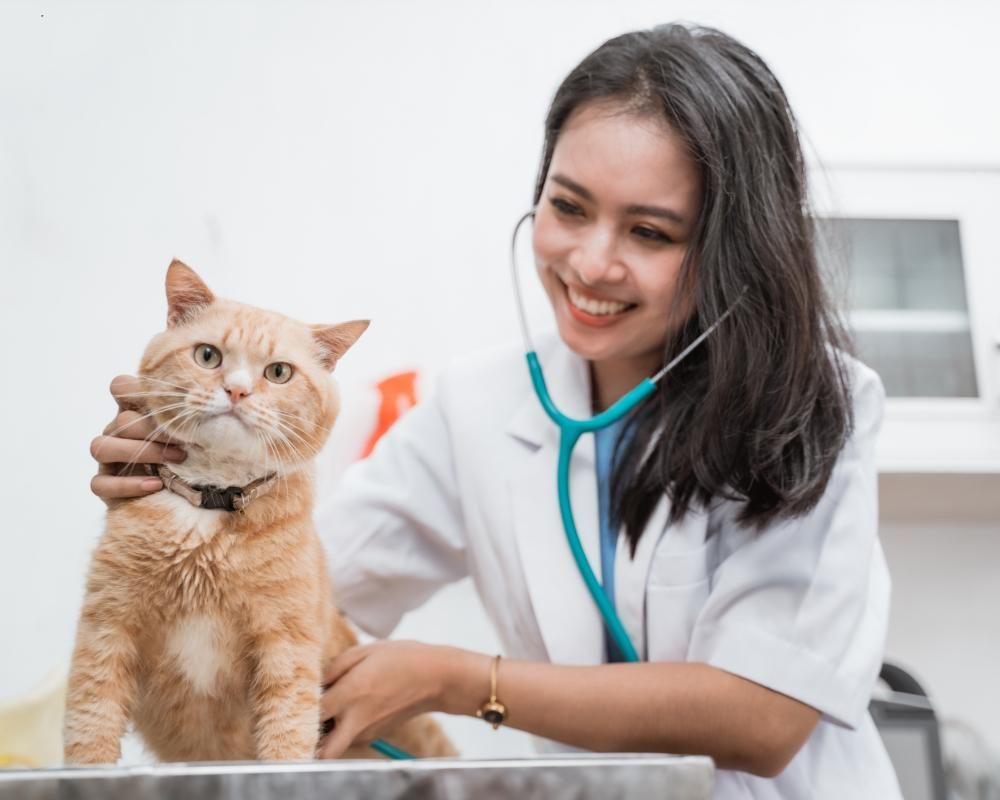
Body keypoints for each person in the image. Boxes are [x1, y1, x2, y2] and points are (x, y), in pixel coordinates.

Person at [90, 24, 902, 798]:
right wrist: (197, 476)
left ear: (734, 244)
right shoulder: (478, 405)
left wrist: (465, 681)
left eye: (649, 232)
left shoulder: (817, 404)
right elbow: (310, 583)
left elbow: (762, 716)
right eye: (569, 206)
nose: (590, 262)